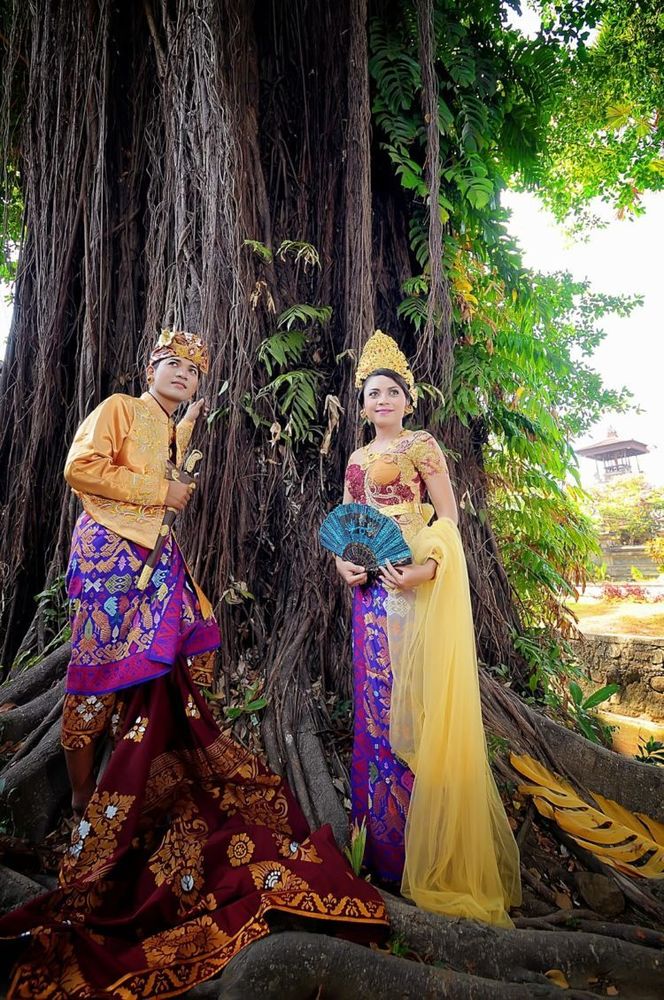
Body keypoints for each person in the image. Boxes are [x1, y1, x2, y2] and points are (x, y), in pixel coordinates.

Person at [0, 329, 387, 998]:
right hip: (107, 558)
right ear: (149, 367)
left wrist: (180, 456)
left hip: (155, 560)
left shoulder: (178, 427)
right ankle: (86, 811)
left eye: (192, 368)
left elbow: (172, 491)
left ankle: (134, 780)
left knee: (195, 633)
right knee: (93, 681)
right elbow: (81, 468)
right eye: (171, 363)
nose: (182, 373)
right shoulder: (119, 407)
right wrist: (163, 485)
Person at [335, 329, 521, 927]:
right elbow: (351, 522)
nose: (382, 400)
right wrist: (343, 563)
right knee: (379, 703)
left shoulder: (422, 445)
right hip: (369, 595)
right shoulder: (357, 460)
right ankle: (386, 851)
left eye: (392, 390)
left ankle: (431, 844)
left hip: (414, 585)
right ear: (362, 405)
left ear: (408, 400)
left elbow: (448, 517)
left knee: (419, 706)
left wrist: (423, 570)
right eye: (372, 393)